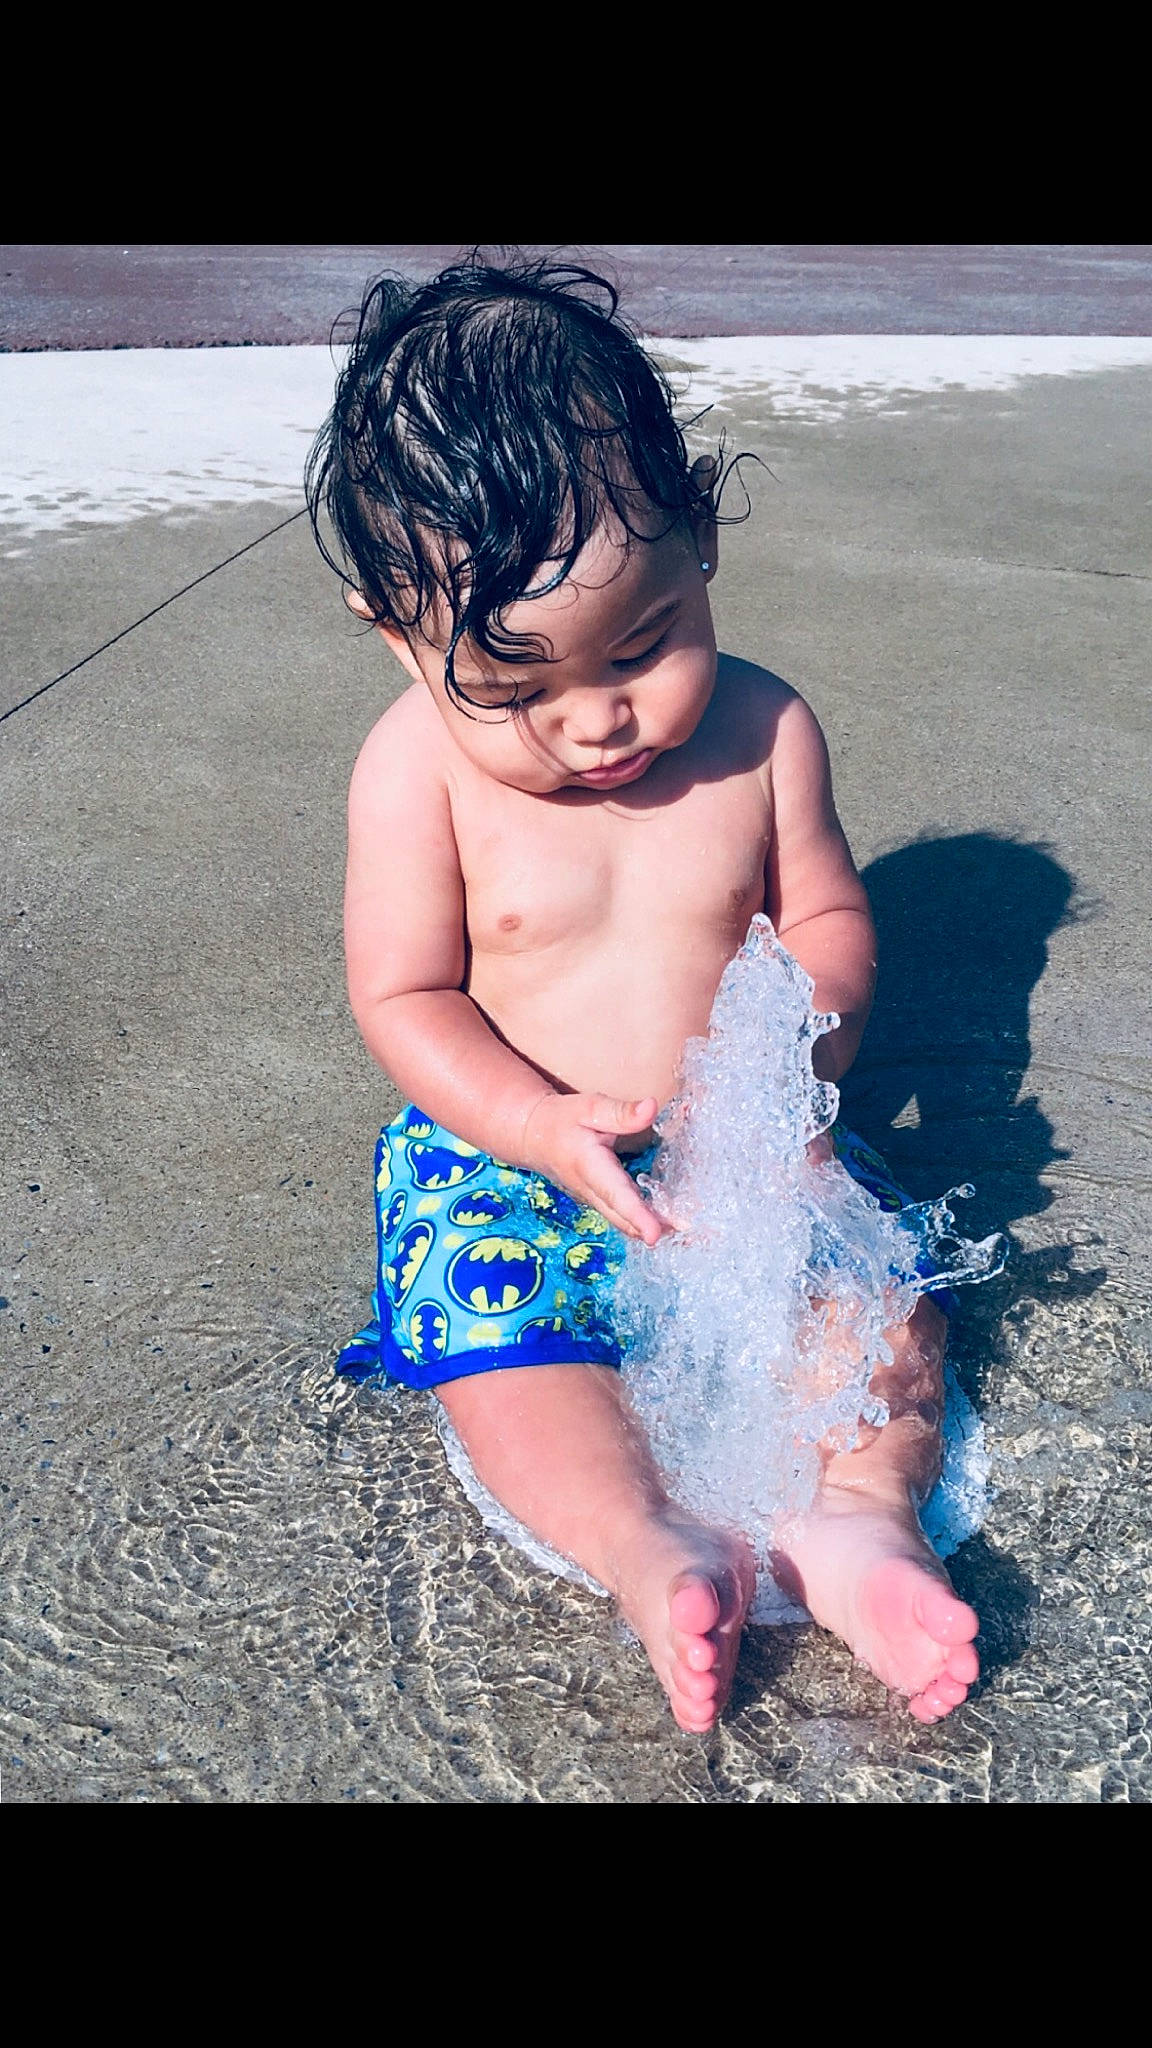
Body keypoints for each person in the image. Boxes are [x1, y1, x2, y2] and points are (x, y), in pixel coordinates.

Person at [305, 253, 980, 1733]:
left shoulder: (762, 731)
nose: (598, 716)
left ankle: (856, 1518)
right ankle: (640, 1540)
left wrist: (811, 1036)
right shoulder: (413, 773)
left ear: (699, 541)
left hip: (746, 1147)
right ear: (395, 632)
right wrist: (537, 1125)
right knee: (507, 1360)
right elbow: (405, 994)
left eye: (642, 643)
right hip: (515, 1168)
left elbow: (826, 913)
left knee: (885, 1311)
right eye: (518, 685)